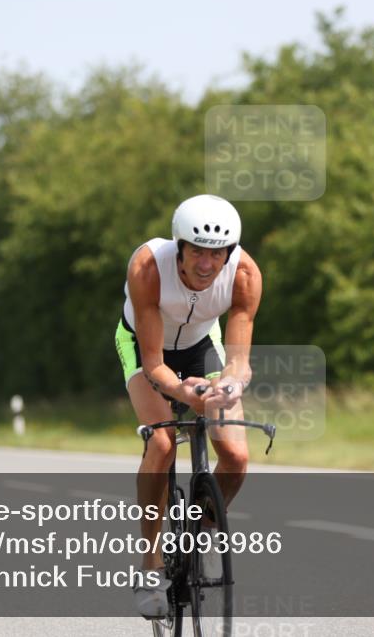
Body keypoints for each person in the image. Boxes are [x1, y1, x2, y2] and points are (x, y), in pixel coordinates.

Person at [116, 194, 261, 618]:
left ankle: (206, 529)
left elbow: (238, 360)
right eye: (197, 251)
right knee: (161, 444)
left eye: (217, 254)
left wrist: (229, 385)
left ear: (229, 254)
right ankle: (150, 563)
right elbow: (156, 366)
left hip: (203, 348)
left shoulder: (245, 275)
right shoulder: (147, 267)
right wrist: (186, 394)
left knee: (234, 453)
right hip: (147, 350)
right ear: (179, 246)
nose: (205, 264)